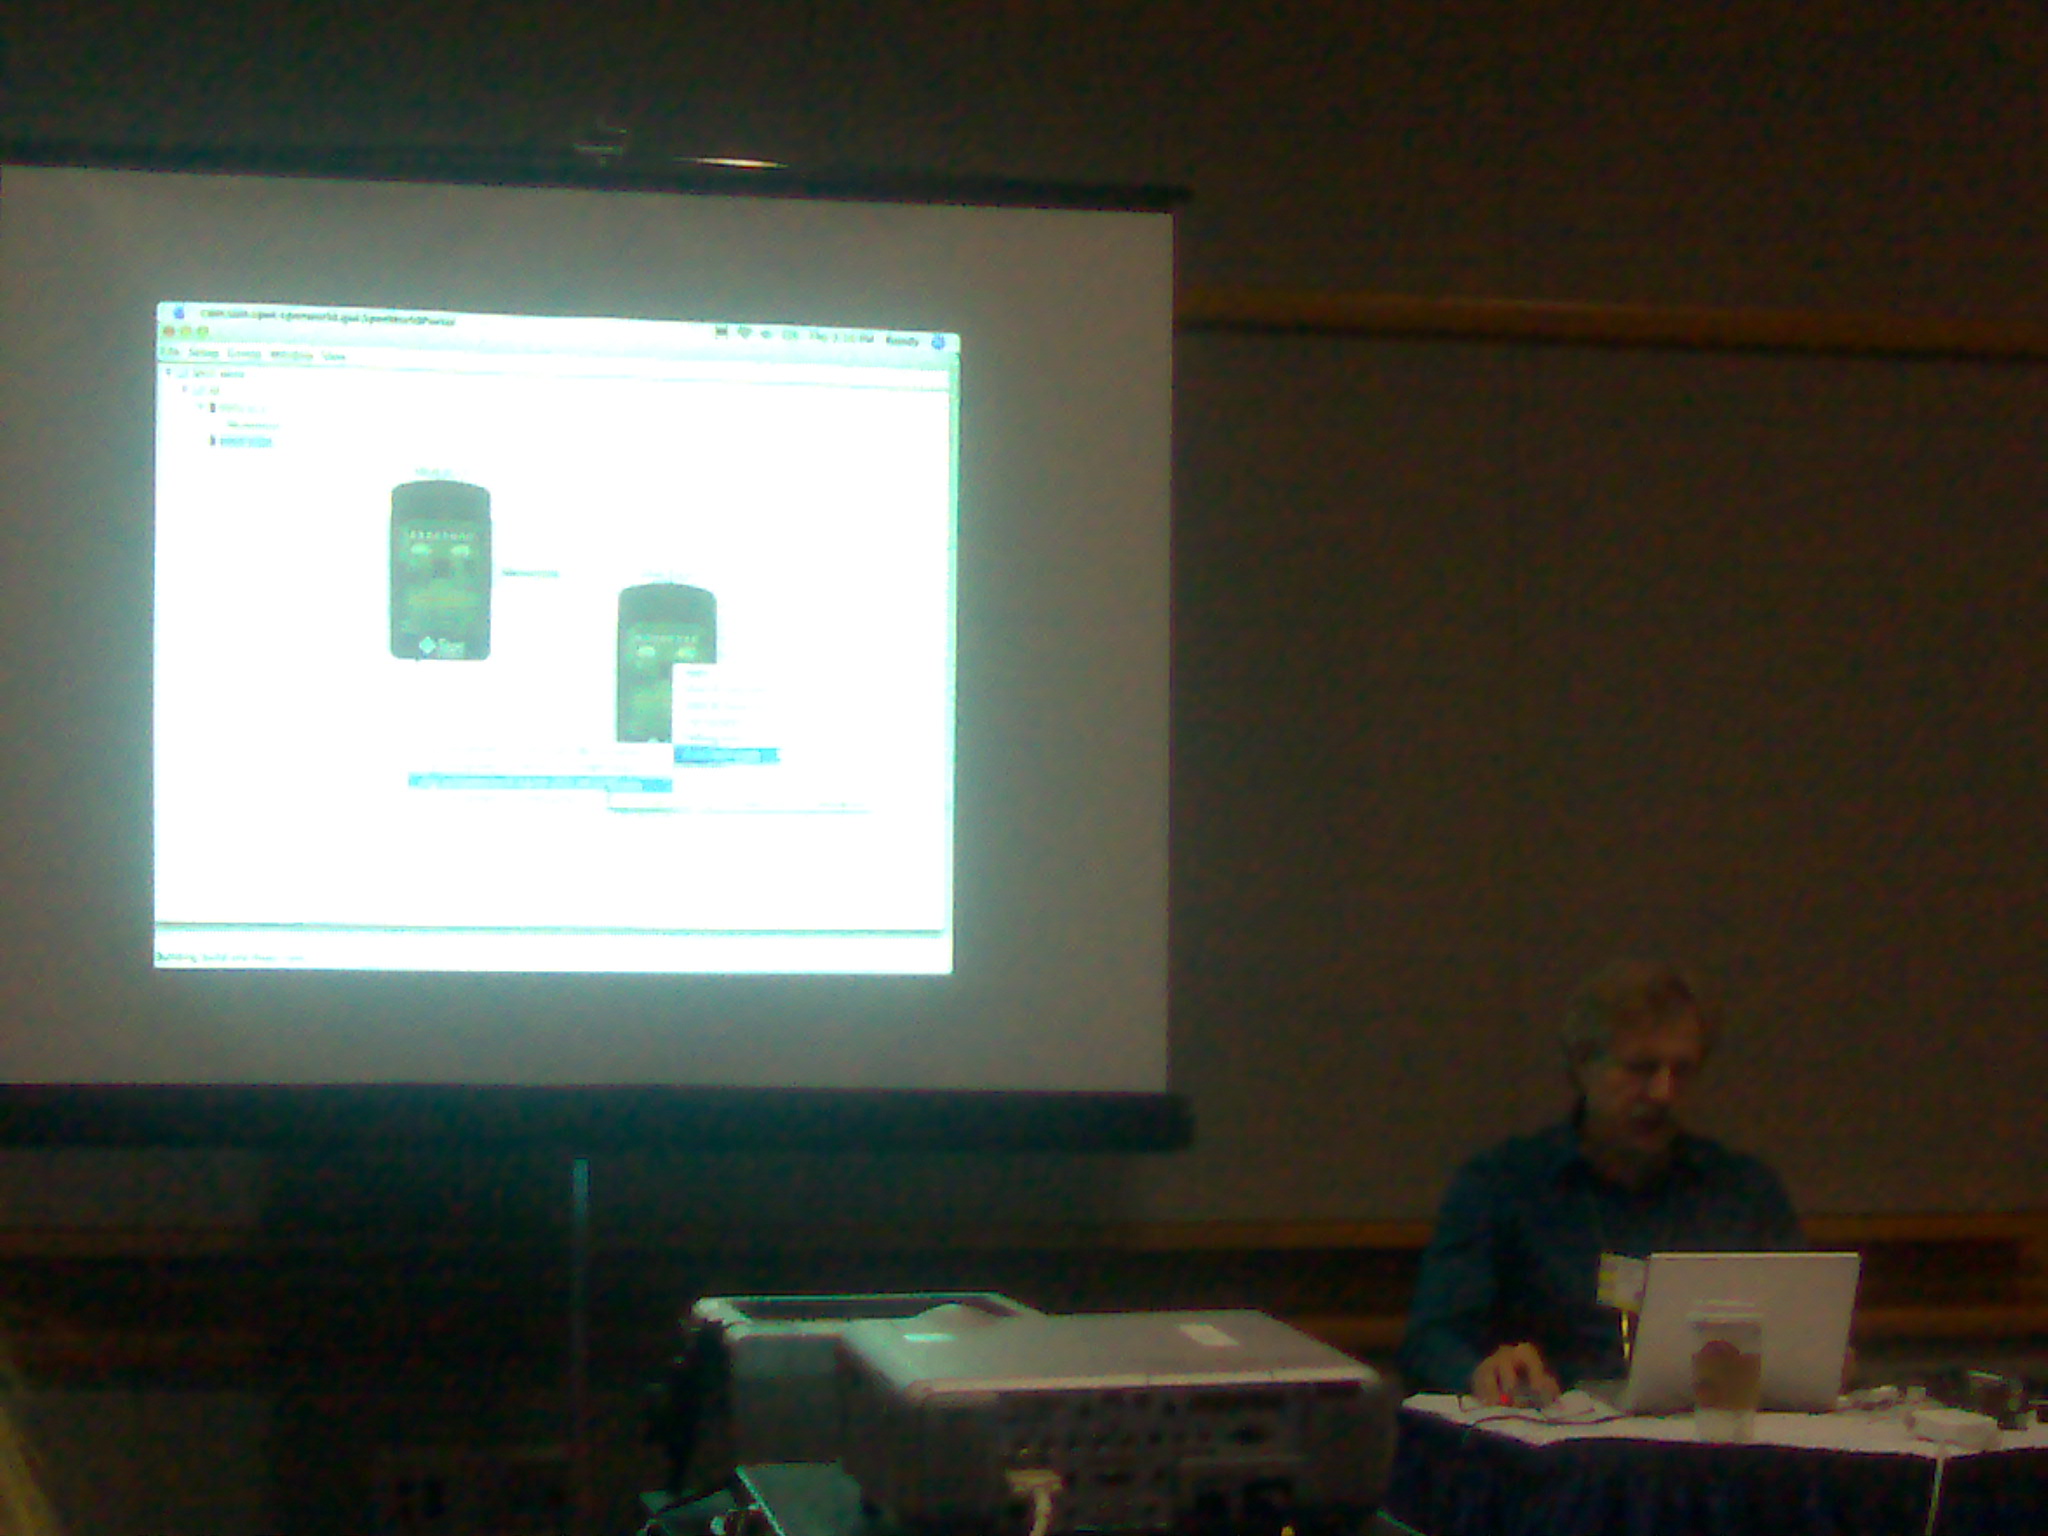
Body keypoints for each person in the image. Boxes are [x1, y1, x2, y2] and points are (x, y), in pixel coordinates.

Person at [1398, 959, 1804, 1406]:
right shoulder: (1502, 1186)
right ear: (1581, 1066)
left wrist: (1818, 1360)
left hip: (1706, 1430)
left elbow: (1804, 1331)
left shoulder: (1743, 1191)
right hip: (1555, 1430)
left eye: (1682, 1071)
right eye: (1640, 1068)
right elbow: (1431, 1342)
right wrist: (1481, 1372)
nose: (1663, 1093)